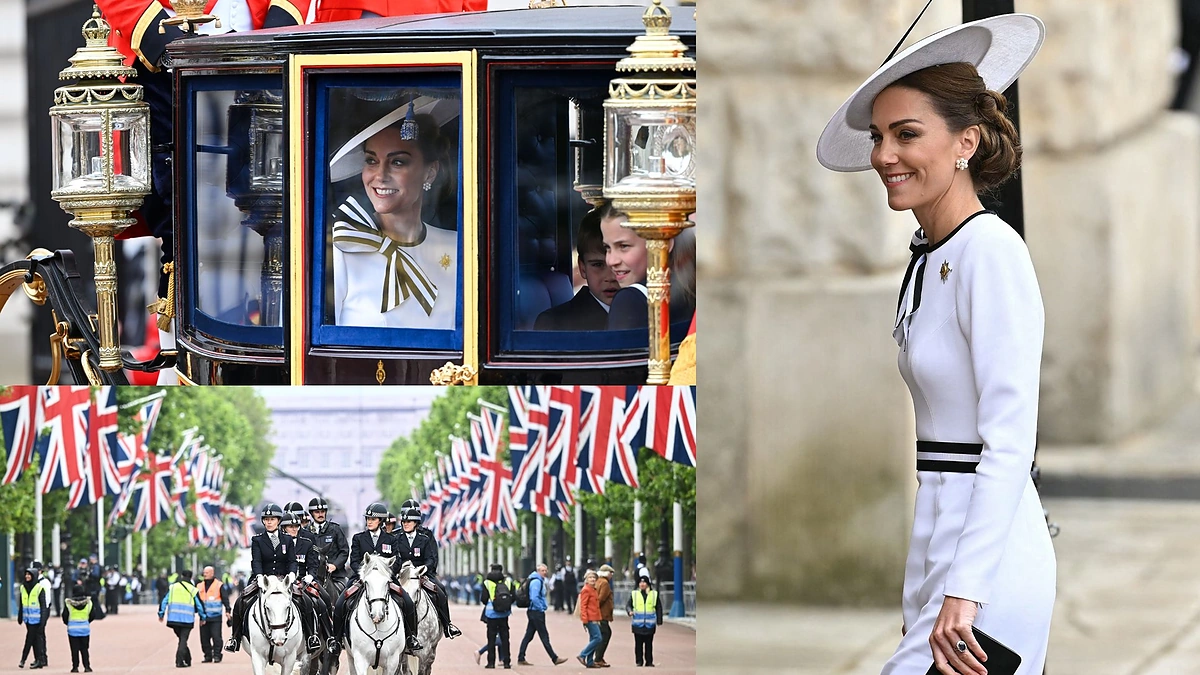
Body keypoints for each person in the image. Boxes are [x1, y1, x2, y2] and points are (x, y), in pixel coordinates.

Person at [815, 13, 1055, 675]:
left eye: (907, 134)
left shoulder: (992, 254)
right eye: (879, 136)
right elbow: (939, 472)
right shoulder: (930, 254)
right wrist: (923, 588)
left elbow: (1008, 441)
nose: (884, 155)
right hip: (945, 558)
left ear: (965, 143)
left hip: (989, 572)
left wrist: (963, 588)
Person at [331, 105, 457, 329]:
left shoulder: (458, 248)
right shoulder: (341, 246)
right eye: (372, 161)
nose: (380, 176)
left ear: (430, 172)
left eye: (397, 162)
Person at [329, 502, 423, 655]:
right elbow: (354, 561)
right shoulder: (358, 538)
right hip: (362, 579)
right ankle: (337, 639)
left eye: (373, 519)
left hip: (386, 579)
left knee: (407, 602)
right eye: (368, 519)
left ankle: (411, 637)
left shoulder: (391, 539)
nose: (369, 521)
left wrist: (386, 574)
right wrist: (364, 574)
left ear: (380, 521)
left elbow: (397, 561)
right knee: (340, 603)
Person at [225, 503, 320, 654]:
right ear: (263, 521)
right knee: (241, 600)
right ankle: (235, 638)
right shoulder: (257, 540)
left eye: (272, 519)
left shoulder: (287, 539)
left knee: (305, 601)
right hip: (263, 579)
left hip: (284, 580)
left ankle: (310, 637)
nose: (269, 522)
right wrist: (260, 576)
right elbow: (256, 561)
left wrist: (291, 574)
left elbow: (292, 561)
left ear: (278, 521)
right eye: (266, 519)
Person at [601, 203, 695, 336]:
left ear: (662, 243)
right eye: (607, 248)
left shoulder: (630, 300)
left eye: (623, 246)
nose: (611, 261)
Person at [534, 208, 620, 330]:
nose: (610, 277)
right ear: (583, 268)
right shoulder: (555, 324)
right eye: (598, 265)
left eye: (618, 265)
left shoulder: (646, 313)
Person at [395, 498, 461, 638]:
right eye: (405, 520)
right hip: (402, 574)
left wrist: (425, 568)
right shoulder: (396, 536)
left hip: (423, 573)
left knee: (440, 590)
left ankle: (447, 625)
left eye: (410, 519)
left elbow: (432, 557)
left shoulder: (426, 535)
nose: (406, 523)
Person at [282, 511, 336, 651]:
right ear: (283, 528)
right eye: (290, 526)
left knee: (323, 600)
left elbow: (313, 564)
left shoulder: (307, 541)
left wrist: (310, 576)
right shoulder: (278, 543)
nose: (294, 528)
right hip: (283, 581)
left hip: (304, 580)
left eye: (296, 526)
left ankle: (329, 637)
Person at [516, 562, 568, 666]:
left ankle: (521, 657)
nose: (544, 572)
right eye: (542, 570)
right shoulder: (536, 582)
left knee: (529, 635)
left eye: (545, 570)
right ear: (538, 571)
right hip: (536, 612)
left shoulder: (538, 580)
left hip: (533, 611)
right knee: (544, 635)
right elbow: (534, 597)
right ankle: (554, 658)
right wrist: (541, 607)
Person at [159, 569, 205, 668]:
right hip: (187, 619)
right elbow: (199, 605)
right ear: (191, 577)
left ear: (182, 575)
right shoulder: (193, 589)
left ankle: (187, 659)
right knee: (183, 640)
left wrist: (161, 613)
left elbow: (164, 600)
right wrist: (203, 617)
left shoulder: (173, 587)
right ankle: (179, 661)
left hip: (173, 618)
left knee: (182, 639)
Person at [307, 496, 351, 594]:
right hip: (312, 576)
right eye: (317, 512)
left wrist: (334, 565)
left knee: (346, 597)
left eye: (322, 512)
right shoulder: (306, 532)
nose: (320, 514)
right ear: (312, 514)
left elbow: (344, 551)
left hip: (335, 576)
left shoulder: (335, 529)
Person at [481, 563, 516, 669]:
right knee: (505, 638)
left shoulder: (487, 582)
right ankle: (506, 662)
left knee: (491, 639)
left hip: (491, 614)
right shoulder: (508, 581)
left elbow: (483, 599)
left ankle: (491, 662)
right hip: (504, 614)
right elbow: (513, 597)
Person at [626, 569, 663, 667]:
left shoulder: (654, 594)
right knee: (638, 644)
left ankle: (649, 661)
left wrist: (659, 619)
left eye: (644, 582)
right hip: (637, 623)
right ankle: (639, 661)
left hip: (650, 623)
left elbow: (658, 607)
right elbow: (628, 605)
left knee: (649, 644)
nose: (642, 584)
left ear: (648, 584)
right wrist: (629, 611)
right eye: (640, 582)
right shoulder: (634, 594)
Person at [196, 566, 229, 664]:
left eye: (206, 572)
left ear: (212, 573)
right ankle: (208, 656)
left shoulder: (219, 585)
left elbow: (225, 598)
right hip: (203, 617)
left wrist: (228, 610)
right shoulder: (199, 586)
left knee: (216, 637)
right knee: (204, 638)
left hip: (215, 616)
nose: (204, 574)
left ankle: (217, 655)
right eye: (204, 572)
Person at [18, 567, 49, 670]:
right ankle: (38, 660)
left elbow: (43, 606)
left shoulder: (40, 588)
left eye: (29, 574)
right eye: (26, 574)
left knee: (30, 639)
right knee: (35, 640)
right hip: (28, 619)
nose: (27, 576)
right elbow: (21, 604)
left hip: (37, 619)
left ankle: (23, 659)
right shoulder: (23, 587)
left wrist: (43, 621)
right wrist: (20, 616)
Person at [63, 583, 96, 673]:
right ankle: (87, 666)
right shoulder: (89, 603)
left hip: (72, 630)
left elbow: (65, 617)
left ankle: (75, 667)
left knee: (74, 649)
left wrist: (69, 623)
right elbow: (93, 615)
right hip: (85, 629)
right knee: (84, 649)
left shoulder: (68, 604)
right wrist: (86, 622)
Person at [576, 570, 603, 669]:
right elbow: (583, 606)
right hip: (589, 618)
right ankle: (582, 655)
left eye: (594, 578)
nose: (592, 579)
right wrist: (584, 619)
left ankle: (590, 661)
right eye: (590, 577)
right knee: (598, 638)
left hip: (595, 617)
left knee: (593, 638)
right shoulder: (586, 590)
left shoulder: (593, 589)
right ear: (586, 579)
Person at [594, 564, 615, 667]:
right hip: (602, 614)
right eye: (611, 573)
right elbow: (601, 598)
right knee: (605, 634)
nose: (612, 575)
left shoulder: (598, 581)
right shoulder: (605, 583)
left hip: (598, 613)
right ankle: (598, 657)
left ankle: (599, 657)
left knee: (602, 634)